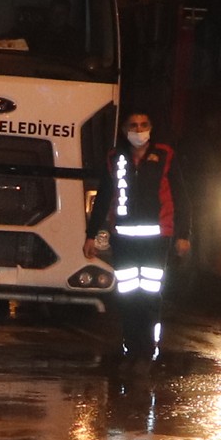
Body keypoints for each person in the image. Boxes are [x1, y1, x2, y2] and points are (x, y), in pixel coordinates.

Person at [87, 109, 186, 368]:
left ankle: (149, 351)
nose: (139, 130)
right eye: (134, 125)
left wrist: (183, 235)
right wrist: (91, 234)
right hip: (125, 241)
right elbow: (103, 199)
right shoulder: (114, 158)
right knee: (128, 297)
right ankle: (130, 349)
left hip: (156, 239)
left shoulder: (165, 156)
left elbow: (181, 197)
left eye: (143, 124)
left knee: (151, 298)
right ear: (124, 130)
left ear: (151, 128)